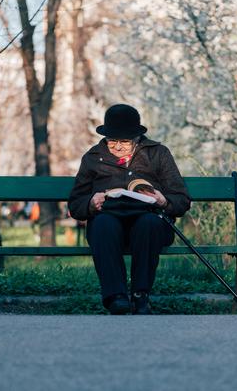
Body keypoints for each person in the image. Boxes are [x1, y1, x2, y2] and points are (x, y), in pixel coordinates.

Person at [68, 104, 191, 315]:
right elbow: (75, 203)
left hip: (149, 220)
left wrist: (163, 201)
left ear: (136, 138)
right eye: (112, 140)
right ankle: (116, 297)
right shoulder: (92, 157)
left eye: (124, 141)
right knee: (102, 225)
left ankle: (140, 295)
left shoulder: (158, 154)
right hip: (109, 220)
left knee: (149, 224)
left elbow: (182, 200)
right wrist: (90, 203)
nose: (116, 146)